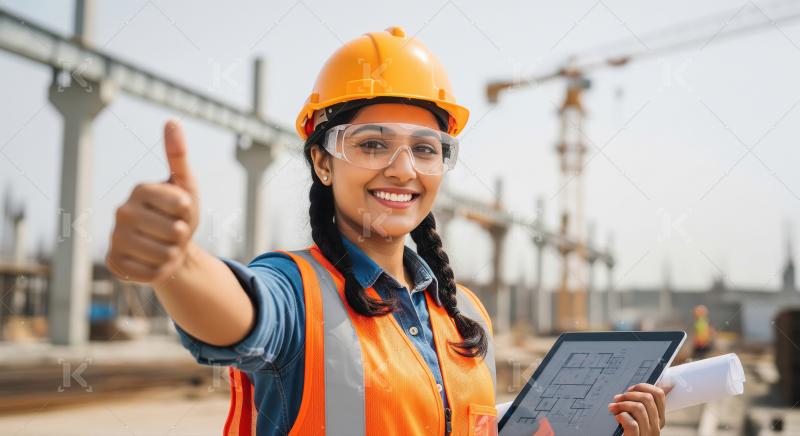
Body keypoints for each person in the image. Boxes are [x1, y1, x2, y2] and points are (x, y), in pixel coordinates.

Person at [106, 26, 670, 436]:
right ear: (323, 162)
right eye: (372, 143)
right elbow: (241, 313)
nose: (402, 169)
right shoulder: (298, 290)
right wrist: (177, 264)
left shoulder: (466, 315)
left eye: (425, 149)